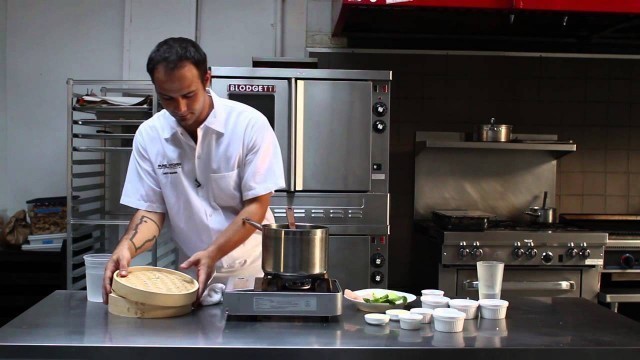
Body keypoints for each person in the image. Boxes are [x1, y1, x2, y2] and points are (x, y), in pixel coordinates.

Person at [102, 37, 285, 304]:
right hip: (192, 276)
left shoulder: (248, 125)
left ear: (207, 79)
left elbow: (256, 206)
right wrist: (126, 247)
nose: (180, 108)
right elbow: (151, 210)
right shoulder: (150, 136)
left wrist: (212, 253)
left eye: (188, 95)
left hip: (257, 274)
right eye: (167, 98)